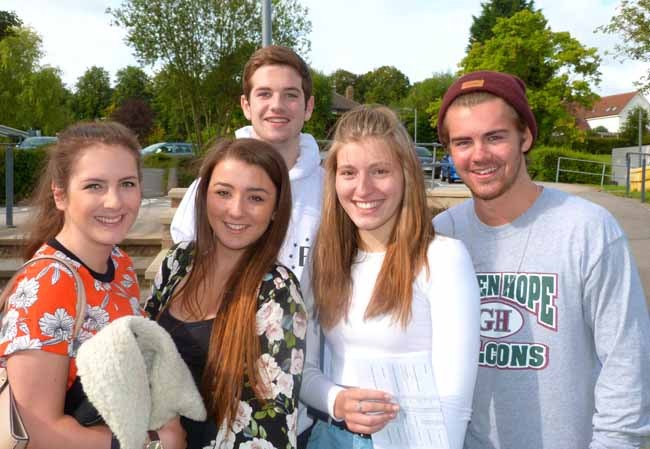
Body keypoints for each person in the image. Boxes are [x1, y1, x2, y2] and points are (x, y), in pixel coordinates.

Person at [433, 70, 650, 449]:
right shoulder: (440, 236)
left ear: (526, 137)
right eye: (462, 142)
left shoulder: (587, 229)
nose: (479, 155)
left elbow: (626, 365)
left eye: (495, 137)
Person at [300, 105, 480, 449]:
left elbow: (454, 401)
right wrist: (337, 400)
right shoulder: (325, 259)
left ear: (406, 174)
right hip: (330, 439)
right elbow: (305, 371)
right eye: (349, 172)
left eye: (380, 171)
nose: (363, 189)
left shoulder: (441, 258)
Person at [0, 122, 185, 449]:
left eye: (127, 184)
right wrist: (152, 442)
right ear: (60, 194)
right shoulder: (49, 286)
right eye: (94, 186)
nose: (115, 202)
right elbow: (37, 431)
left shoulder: (120, 264)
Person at [145, 138, 307, 449]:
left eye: (256, 198)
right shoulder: (177, 263)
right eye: (223, 193)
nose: (236, 210)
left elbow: (272, 429)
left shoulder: (278, 292)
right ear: (204, 197)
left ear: (276, 209)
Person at [171, 45, 322, 299]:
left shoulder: (330, 191)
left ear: (308, 107)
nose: (277, 105)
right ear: (246, 105)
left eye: (290, 95)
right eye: (264, 94)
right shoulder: (209, 189)